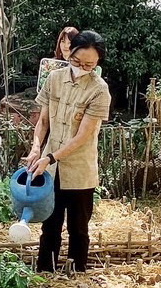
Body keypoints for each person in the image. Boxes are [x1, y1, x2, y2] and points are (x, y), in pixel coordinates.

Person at [26, 30, 111, 273]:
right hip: (50, 167)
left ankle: (76, 274)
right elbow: (43, 121)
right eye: (76, 61)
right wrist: (35, 149)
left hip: (79, 169)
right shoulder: (54, 78)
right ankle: (45, 271)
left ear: (97, 63)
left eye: (89, 64)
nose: (81, 67)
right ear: (69, 52)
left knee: (78, 227)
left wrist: (50, 156)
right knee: (50, 224)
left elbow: (83, 135)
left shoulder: (99, 89)